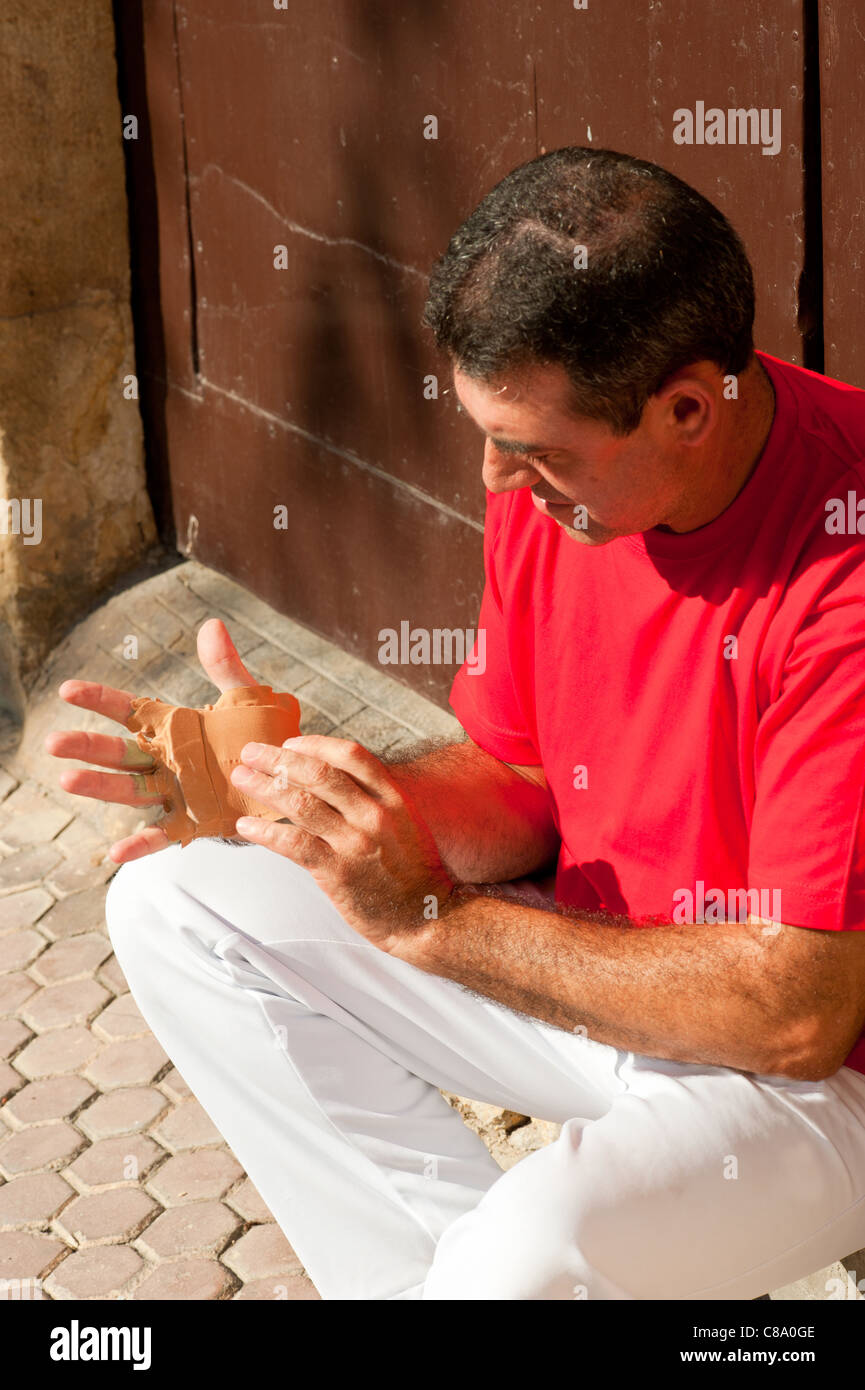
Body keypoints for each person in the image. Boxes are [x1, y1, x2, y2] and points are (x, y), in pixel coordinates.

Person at [48, 147, 865, 1300]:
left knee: (524, 1256)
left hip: (815, 1080)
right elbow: (521, 776)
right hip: (596, 963)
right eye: (487, 435)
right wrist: (298, 798)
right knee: (176, 903)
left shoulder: (844, 566)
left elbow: (795, 1014)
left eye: (530, 452)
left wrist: (429, 920)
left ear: (686, 406)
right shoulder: (568, 483)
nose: (494, 480)